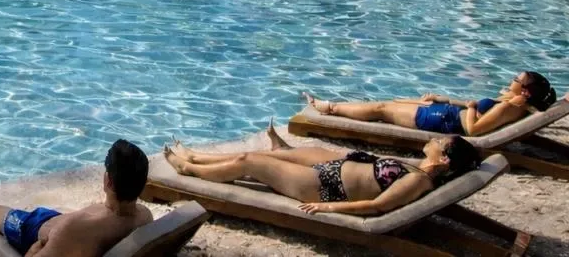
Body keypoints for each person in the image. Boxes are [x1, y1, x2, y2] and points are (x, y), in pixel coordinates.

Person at [164, 123, 480, 216]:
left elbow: (378, 206)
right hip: (331, 169)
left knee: (249, 162)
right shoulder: (419, 169)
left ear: (444, 160)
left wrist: (326, 208)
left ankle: (189, 170)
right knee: (260, 154)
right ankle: (197, 156)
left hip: (324, 187)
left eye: (441, 142)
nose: (435, 139)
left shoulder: (419, 181)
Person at [0, 139, 152, 257]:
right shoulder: (144, 216)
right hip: (58, 224)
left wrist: (33, 250)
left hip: (31, 228)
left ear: (109, 182)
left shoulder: (76, 230)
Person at [302, 71, 558, 137]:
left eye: (516, 80)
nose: (512, 80)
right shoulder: (516, 103)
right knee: (392, 102)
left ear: (525, 91)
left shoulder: (509, 107)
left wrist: (469, 108)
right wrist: (445, 99)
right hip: (449, 112)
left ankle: (330, 108)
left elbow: (473, 130)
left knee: (382, 110)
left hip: (446, 122)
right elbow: (477, 109)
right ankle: (336, 107)